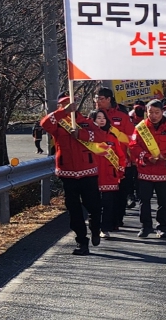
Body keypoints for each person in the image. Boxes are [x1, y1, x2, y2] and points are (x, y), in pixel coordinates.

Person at [40, 92, 102, 255]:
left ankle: (95, 228)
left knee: (94, 206)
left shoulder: (86, 122)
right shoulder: (58, 123)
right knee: (74, 210)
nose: (67, 106)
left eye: (69, 103)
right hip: (67, 173)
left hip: (88, 172)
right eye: (63, 104)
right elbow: (45, 124)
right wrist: (63, 112)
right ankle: (81, 241)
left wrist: (81, 134)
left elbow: (100, 136)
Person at [130, 100, 166, 239]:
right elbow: (133, 145)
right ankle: (145, 226)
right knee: (144, 200)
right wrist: (147, 156)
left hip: (164, 170)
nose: (153, 115)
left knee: (164, 201)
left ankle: (162, 227)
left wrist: (164, 154)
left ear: (162, 112)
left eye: (157, 112)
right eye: (151, 112)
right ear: (146, 112)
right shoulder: (140, 128)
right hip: (145, 169)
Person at [95, 88, 137, 217]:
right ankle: (103, 222)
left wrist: (131, 159)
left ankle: (117, 219)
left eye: (101, 98)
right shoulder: (92, 117)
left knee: (120, 194)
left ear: (109, 99)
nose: (97, 101)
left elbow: (132, 138)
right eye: (96, 98)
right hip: (99, 162)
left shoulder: (122, 116)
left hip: (119, 161)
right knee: (99, 196)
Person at [88, 109, 126, 238]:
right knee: (94, 204)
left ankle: (105, 228)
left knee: (108, 204)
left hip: (110, 175)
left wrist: (120, 169)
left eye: (103, 118)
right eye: (98, 118)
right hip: (93, 175)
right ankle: (94, 227)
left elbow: (120, 156)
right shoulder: (87, 137)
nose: (102, 120)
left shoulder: (112, 136)